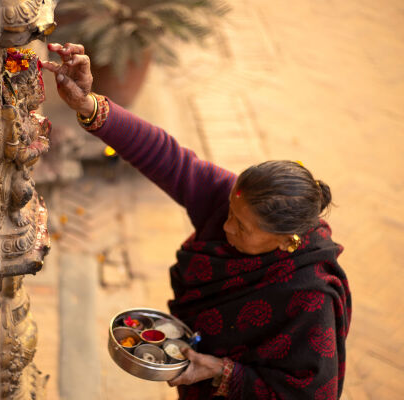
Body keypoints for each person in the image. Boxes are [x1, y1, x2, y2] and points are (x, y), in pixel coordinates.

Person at [42, 43, 351, 399]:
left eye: (242, 228)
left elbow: (310, 394)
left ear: (287, 242)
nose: (226, 227)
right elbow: (166, 157)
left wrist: (224, 372)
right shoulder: (233, 198)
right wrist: (89, 105)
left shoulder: (310, 297)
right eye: (232, 215)